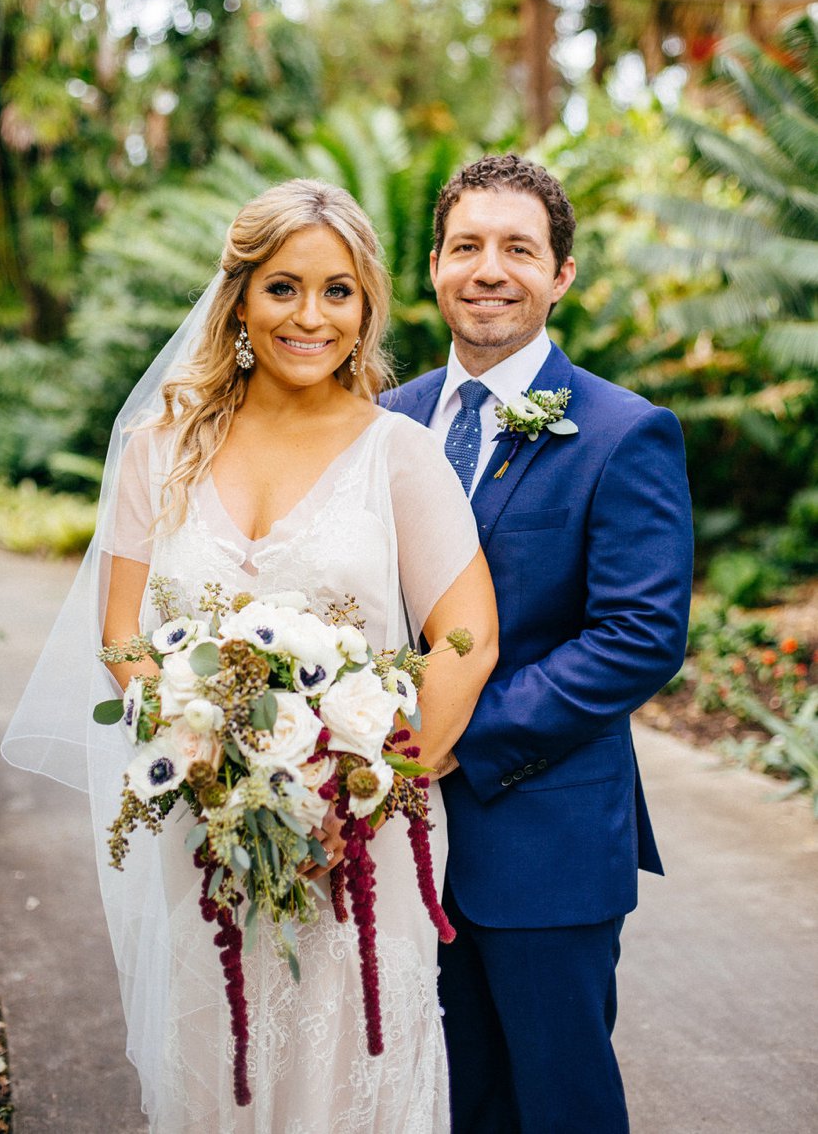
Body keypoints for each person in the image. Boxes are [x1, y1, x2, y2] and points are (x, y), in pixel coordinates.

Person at [3, 178, 498, 1134]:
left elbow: (466, 641)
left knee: (350, 1066)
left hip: (361, 841)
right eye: (282, 288)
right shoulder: (158, 450)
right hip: (209, 828)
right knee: (214, 1066)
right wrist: (215, 766)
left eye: (338, 291)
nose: (310, 316)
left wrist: (363, 787)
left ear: (366, 309)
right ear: (237, 298)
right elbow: (122, 636)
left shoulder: (398, 455)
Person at [384, 153, 694, 1133]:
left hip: (544, 841)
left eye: (519, 248)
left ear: (561, 274)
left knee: (559, 1105)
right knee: (447, 1102)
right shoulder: (379, 427)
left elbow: (639, 636)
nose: (490, 269)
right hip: (388, 843)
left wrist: (450, 733)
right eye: (467, 245)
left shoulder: (623, 432)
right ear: (433, 264)